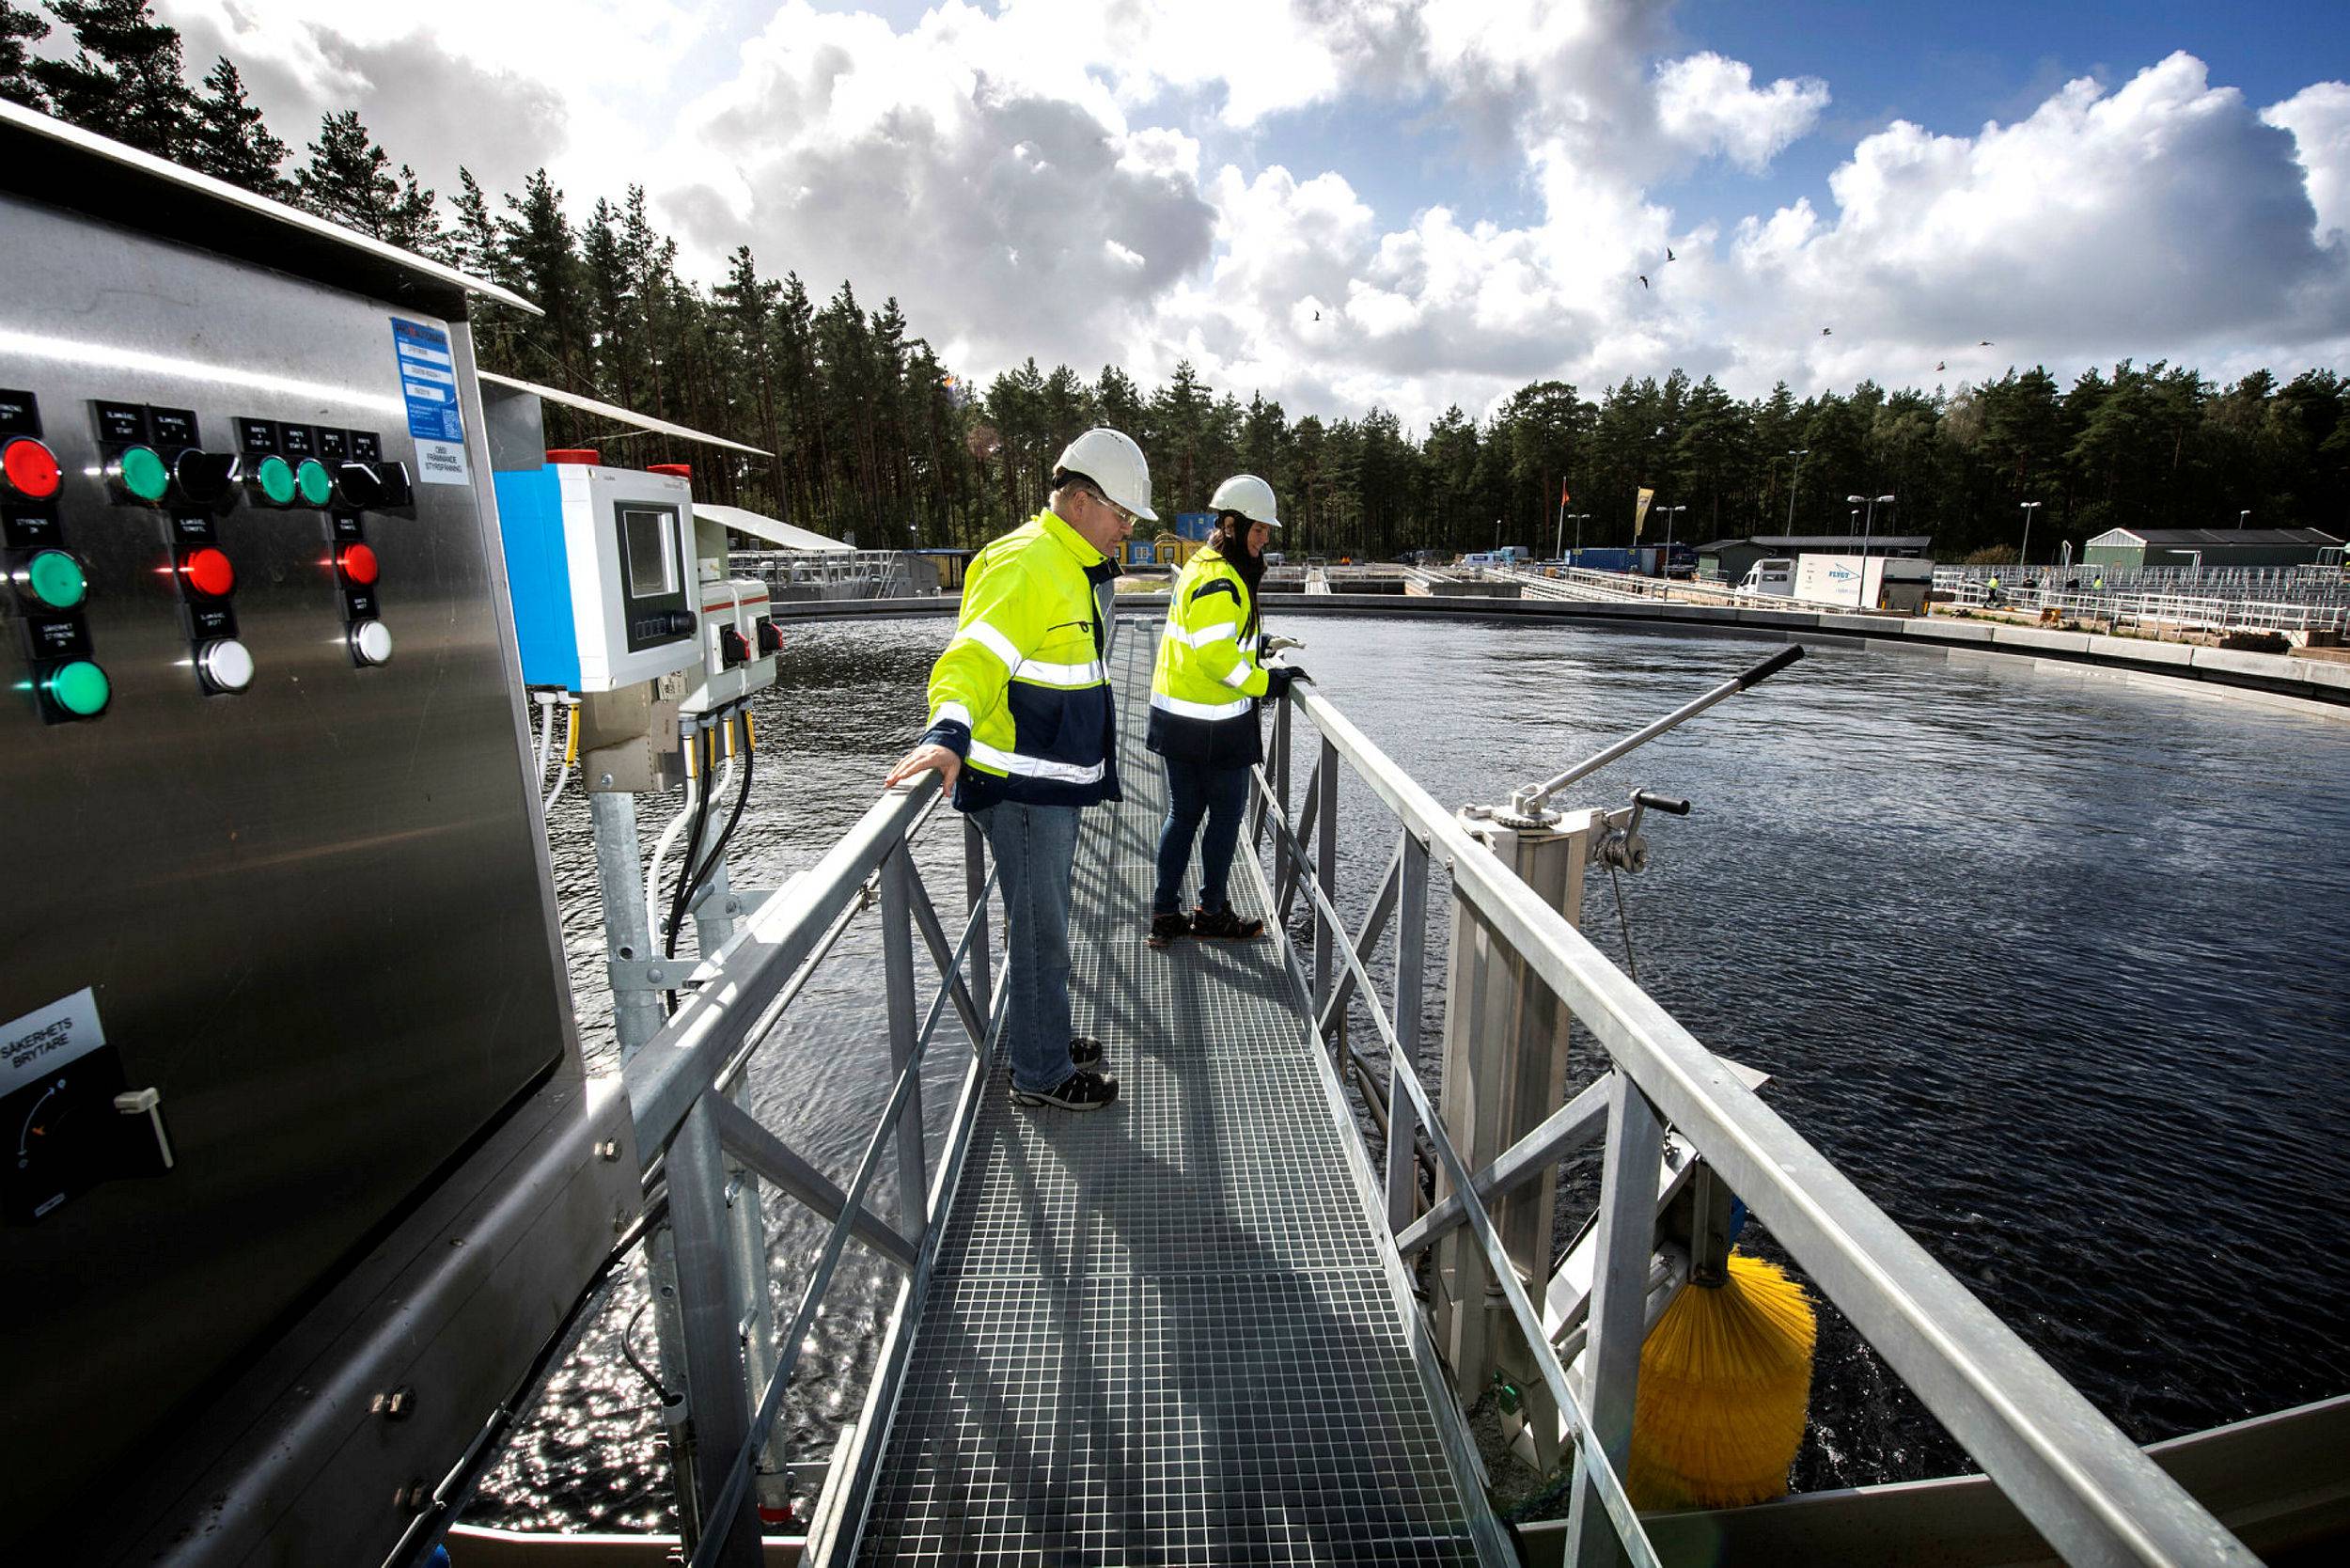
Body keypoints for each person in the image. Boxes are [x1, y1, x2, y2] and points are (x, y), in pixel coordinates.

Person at [884, 429, 1151, 1112]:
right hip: (1022, 791)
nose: (1127, 530)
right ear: (1083, 501)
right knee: (1041, 935)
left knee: (1047, 926)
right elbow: (972, 657)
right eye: (1122, 515)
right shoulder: (1028, 563)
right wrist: (946, 732)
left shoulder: (1068, 564)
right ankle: (1040, 1073)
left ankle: (1047, 1037)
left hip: (1047, 785)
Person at [1144, 474, 1308, 948]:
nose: (1264, 542)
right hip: (1212, 724)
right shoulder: (1221, 578)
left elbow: (1215, 638)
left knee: (1183, 814)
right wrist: (1267, 682)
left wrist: (1258, 643)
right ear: (1233, 526)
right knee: (1224, 816)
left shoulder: (1205, 566)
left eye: (1267, 534)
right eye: (1259, 532)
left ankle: (1165, 914)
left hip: (1179, 719)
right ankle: (1211, 911)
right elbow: (1217, 658)